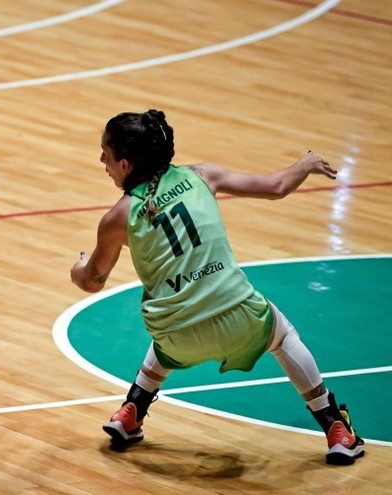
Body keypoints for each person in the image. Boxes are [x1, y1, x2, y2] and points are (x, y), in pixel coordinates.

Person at [70, 109, 365, 465]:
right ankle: (336, 428)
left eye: (106, 153)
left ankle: (132, 410)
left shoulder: (117, 218)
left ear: (126, 165)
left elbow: (92, 281)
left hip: (175, 338)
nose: (101, 159)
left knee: (172, 319)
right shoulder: (201, 175)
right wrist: (304, 164)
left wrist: (77, 268)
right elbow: (276, 187)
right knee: (283, 336)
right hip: (240, 320)